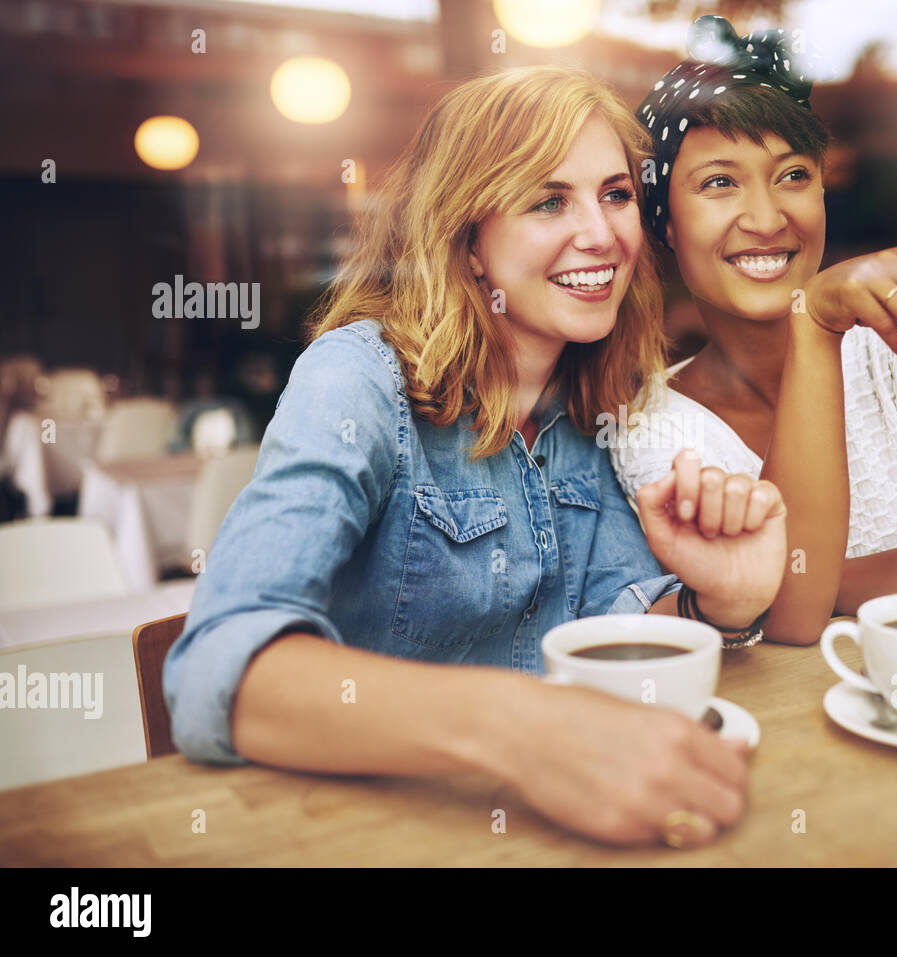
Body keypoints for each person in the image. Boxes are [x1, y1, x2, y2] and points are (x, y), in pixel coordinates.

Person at [163, 66, 790, 849]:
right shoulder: (356, 380)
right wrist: (521, 723)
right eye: (547, 199)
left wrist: (715, 604)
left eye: (616, 193)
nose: (602, 234)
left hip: (546, 834)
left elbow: (613, 628)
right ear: (467, 243)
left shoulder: (598, 401)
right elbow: (214, 670)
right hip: (360, 834)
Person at [610, 16, 897, 645]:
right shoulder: (646, 428)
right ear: (666, 226)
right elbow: (788, 627)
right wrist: (811, 328)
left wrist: (808, 583)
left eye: (793, 176)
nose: (766, 218)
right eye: (719, 183)